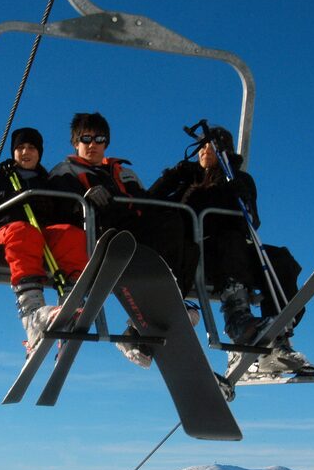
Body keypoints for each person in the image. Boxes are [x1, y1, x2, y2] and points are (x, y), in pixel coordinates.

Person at [149, 125, 314, 377]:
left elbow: (251, 219)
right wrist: (173, 176)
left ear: (224, 151)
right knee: (230, 241)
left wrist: (236, 191)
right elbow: (154, 200)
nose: (205, 151)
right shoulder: (187, 178)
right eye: (202, 146)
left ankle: (277, 335)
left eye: (212, 146)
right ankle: (238, 318)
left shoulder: (237, 179)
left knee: (281, 259)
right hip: (197, 252)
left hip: (234, 251)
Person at [47, 112, 200, 368]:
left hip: (132, 232)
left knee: (183, 237)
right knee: (158, 226)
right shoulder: (65, 171)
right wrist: (85, 198)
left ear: (107, 143)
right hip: (100, 235)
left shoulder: (124, 173)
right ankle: (149, 316)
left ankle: (148, 322)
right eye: (86, 139)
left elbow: (146, 204)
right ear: (76, 142)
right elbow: (58, 206)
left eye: (99, 139)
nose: (93, 144)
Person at [0, 127, 88, 355]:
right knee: (23, 232)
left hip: (39, 236)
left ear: (40, 152)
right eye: (20, 148)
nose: (25, 152)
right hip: (1, 236)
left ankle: (70, 304)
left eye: (31, 148)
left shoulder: (49, 181)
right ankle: (32, 314)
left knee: (70, 234)